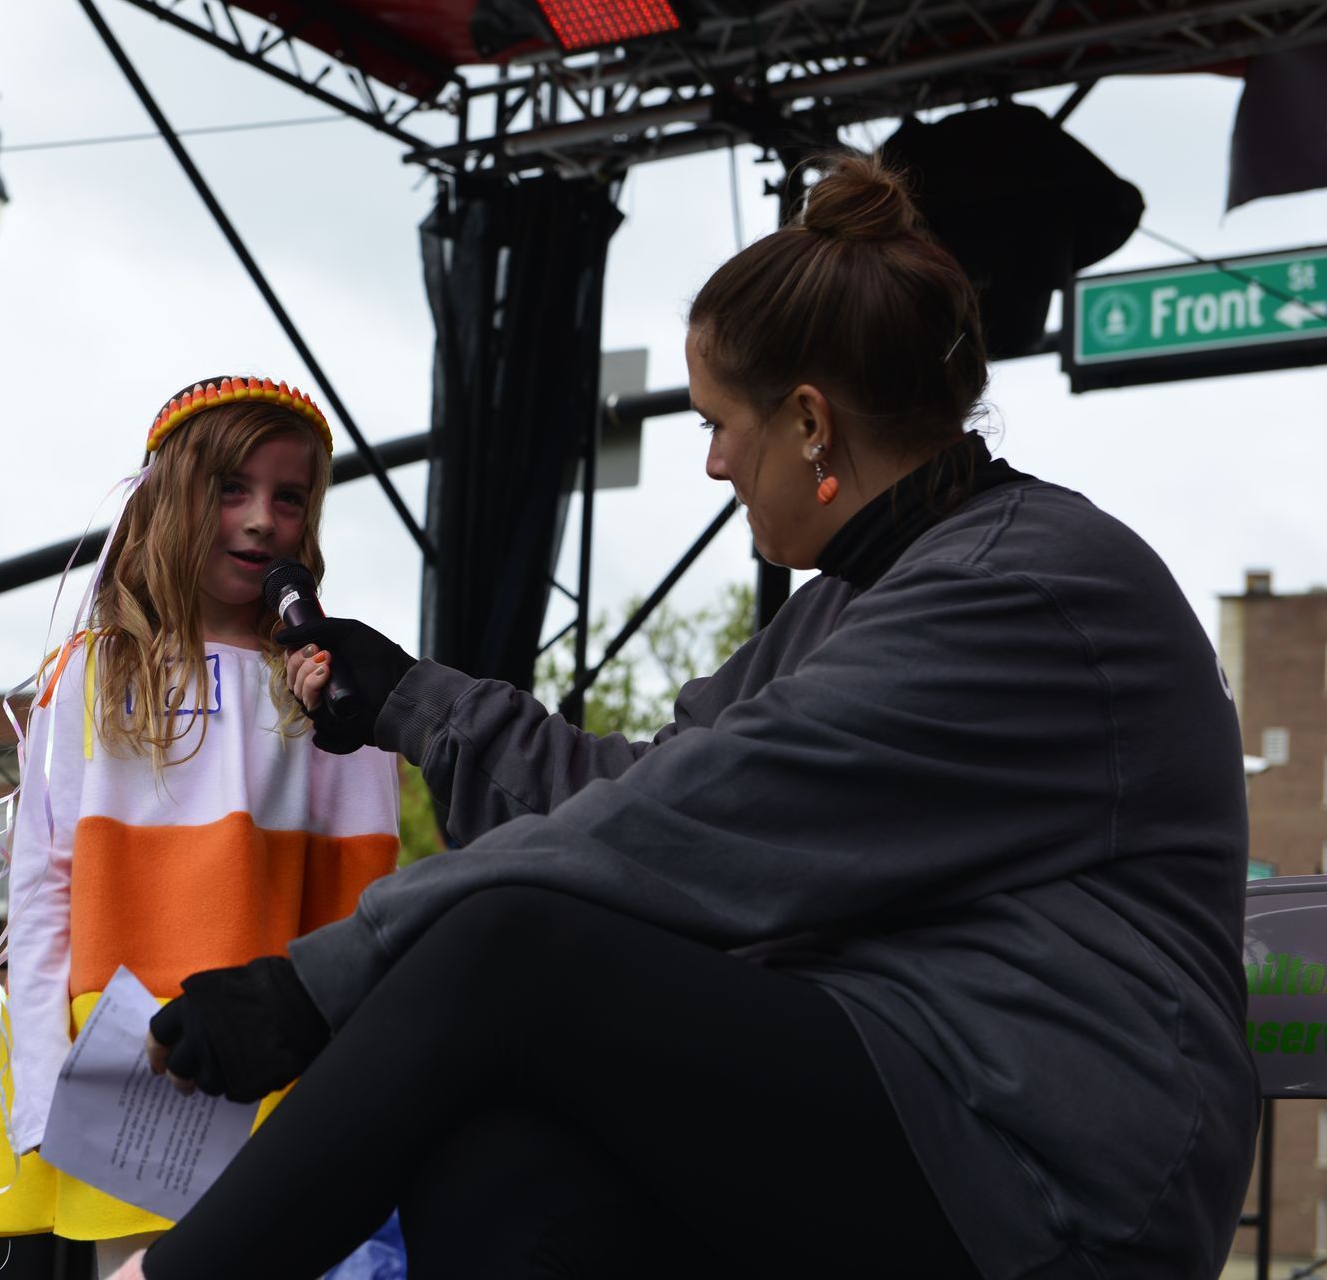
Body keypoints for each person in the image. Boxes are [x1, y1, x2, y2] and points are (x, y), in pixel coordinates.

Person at [124, 155, 1261, 1279]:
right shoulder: (860, 602)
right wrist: (415, 702)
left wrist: (320, 982)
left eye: (723, 424)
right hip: (918, 1101)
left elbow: (673, 832)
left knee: (507, 950)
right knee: (496, 1162)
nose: (715, 463)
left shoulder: (1025, 592)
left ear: (810, 422)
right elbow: (636, 794)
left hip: (1059, 1178)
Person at [0, 377, 402, 1279]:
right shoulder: (96, 676)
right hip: (133, 1067)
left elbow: (371, 897)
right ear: (173, 498)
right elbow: (43, 885)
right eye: (230, 489)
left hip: (285, 1068)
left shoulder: (339, 694)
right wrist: (47, 1079)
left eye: (288, 497)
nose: (261, 520)